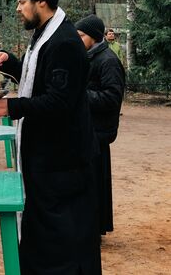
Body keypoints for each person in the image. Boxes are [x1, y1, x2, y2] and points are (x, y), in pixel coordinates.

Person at [0, 0, 101, 274]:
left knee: (63, 237)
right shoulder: (45, 34)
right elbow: (40, 77)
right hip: (48, 156)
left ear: (42, 3)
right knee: (45, 232)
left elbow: (59, 102)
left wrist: (12, 106)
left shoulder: (64, 42)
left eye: (22, 2)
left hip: (63, 161)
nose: (18, 8)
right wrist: (12, 63)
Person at [76, 15, 126, 236]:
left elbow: (112, 98)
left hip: (99, 132)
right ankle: (90, 227)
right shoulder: (89, 56)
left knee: (95, 183)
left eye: (82, 36)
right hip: (88, 130)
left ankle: (93, 230)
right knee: (89, 183)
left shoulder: (108, 61)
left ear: (94, 37)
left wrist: (78, 96)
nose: (78, 39)